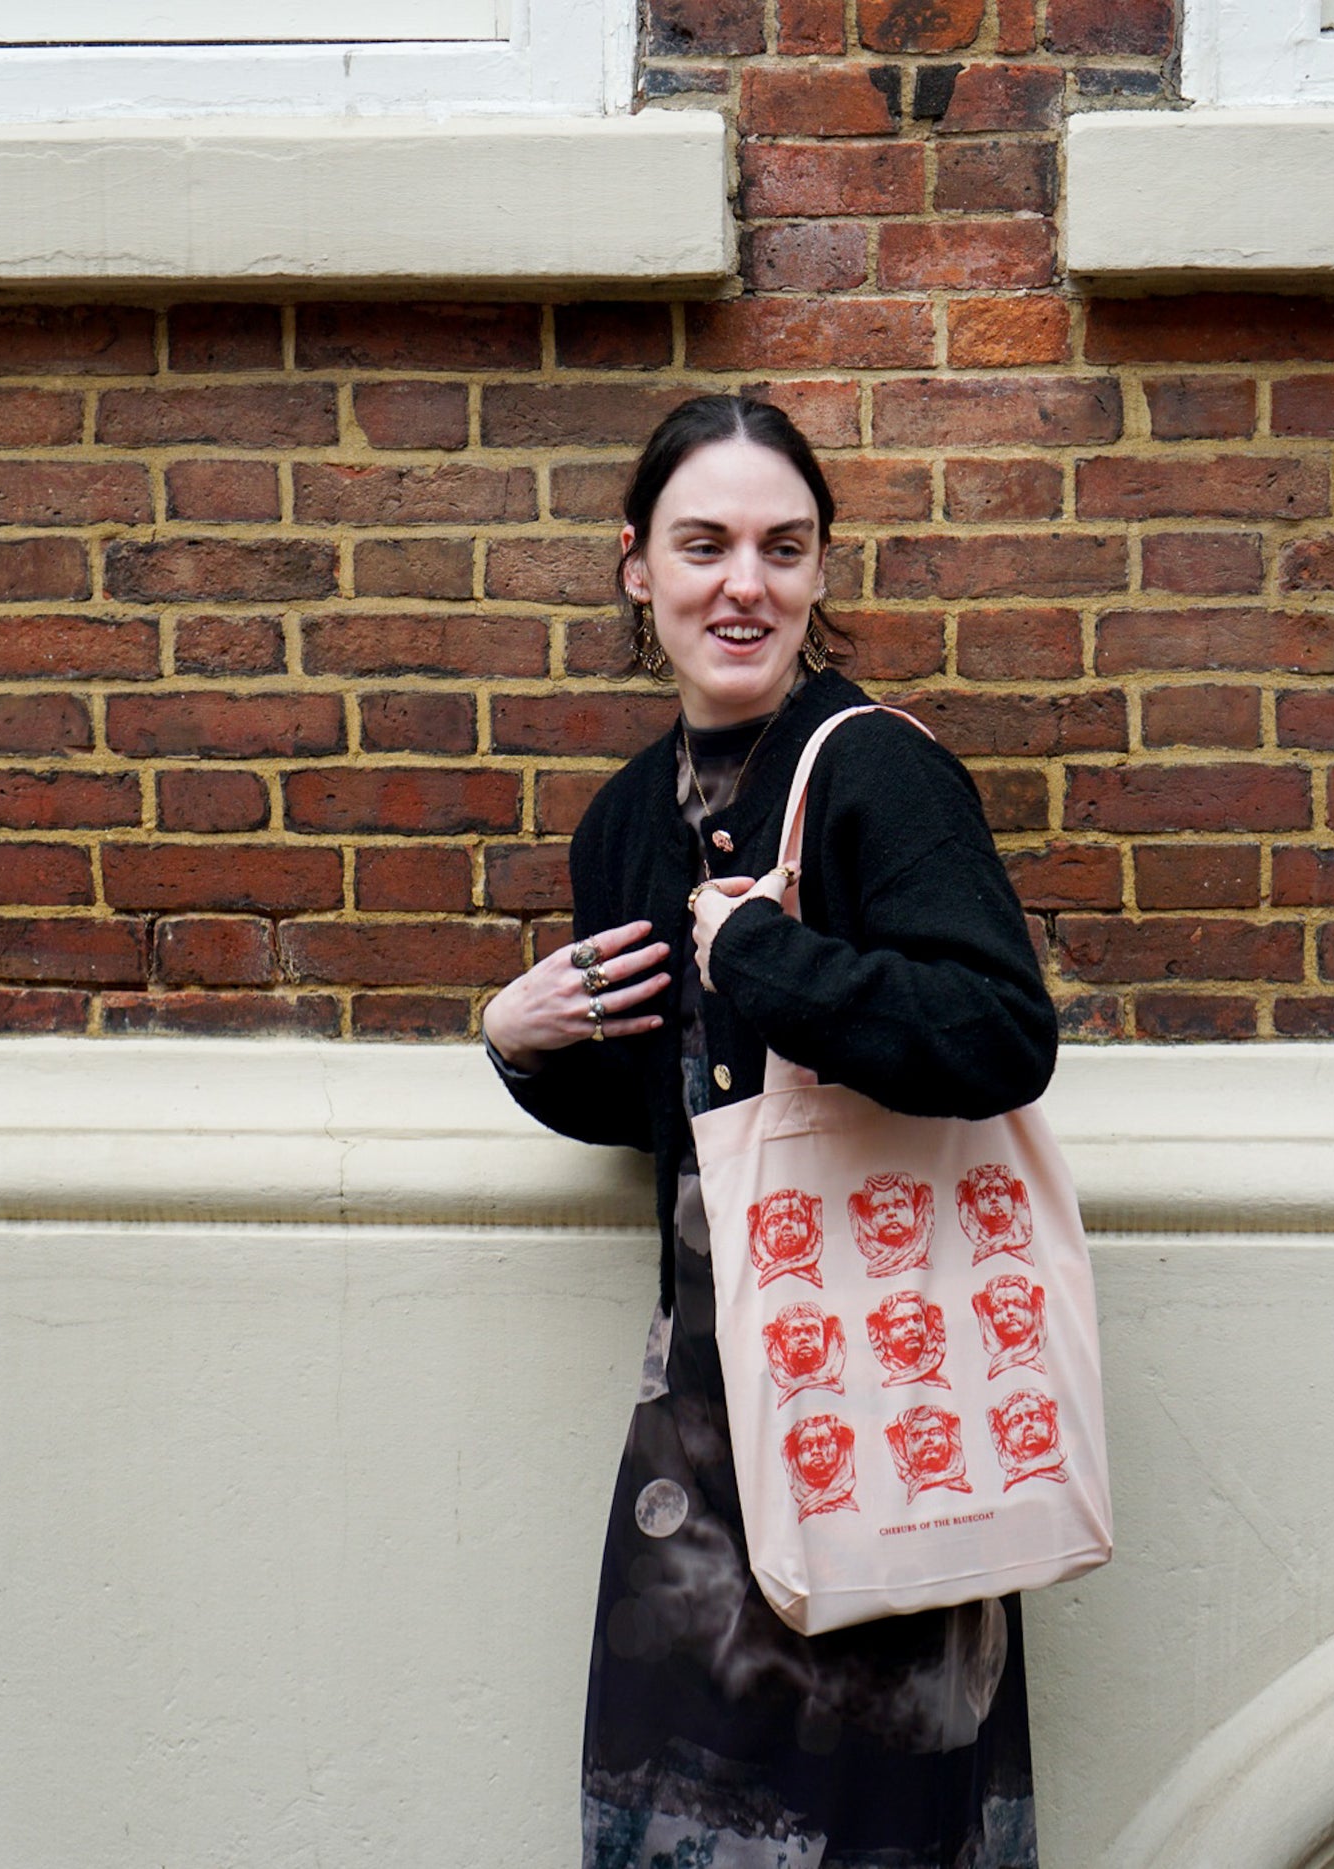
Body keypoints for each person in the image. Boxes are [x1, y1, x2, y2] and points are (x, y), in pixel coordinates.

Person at [483, 394, 1058, 1868]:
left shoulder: (876, 772)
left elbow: (1000, 1034)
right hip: (702, 1420)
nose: (743, 582)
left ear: (816, 573)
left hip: (875, 1383)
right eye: (704, 544)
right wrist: (524, 1048)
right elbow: (660, 1114)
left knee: (863, 1830)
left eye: (780, 547)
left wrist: (764, 960)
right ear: (636, 568)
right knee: (687, 1821)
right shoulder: (624, 819)